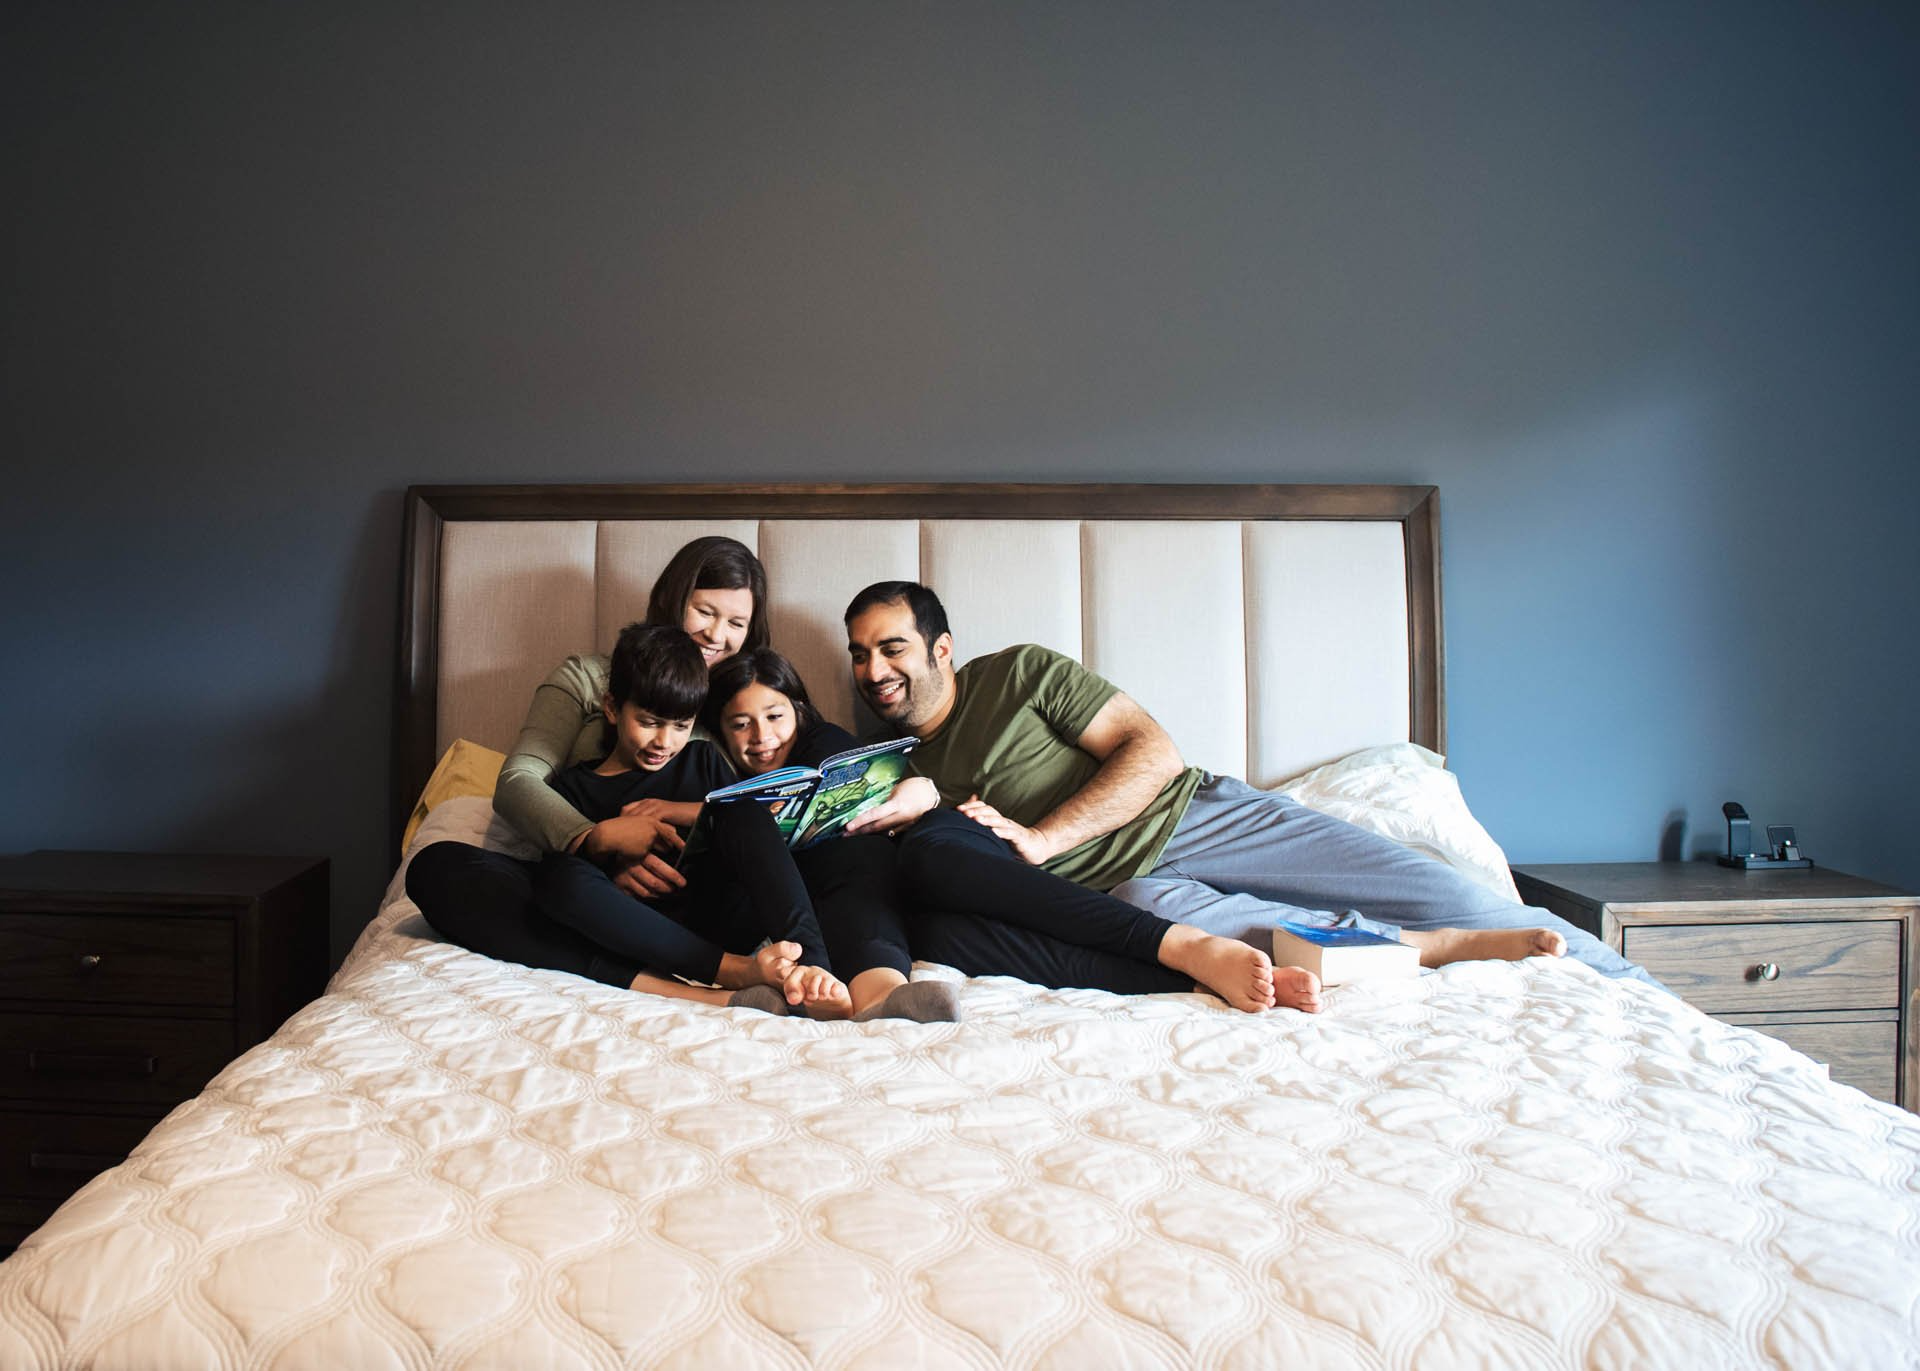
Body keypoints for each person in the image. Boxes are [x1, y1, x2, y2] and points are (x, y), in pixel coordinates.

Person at [842, 581, 1662, 995]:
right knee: (1277, 946)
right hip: (1128, 894)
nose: (873, 669)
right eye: (858, 653)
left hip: (1199, 817)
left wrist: (1044, 839)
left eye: (891, 647)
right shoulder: (893, 769)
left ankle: (1639, 995)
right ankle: (1426, 954)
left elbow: (1151, 751)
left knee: (1463, 898)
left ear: (942, 648)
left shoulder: (1017, 674)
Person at [706, 648, 1309, 1013]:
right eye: (740, 725)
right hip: (901, 918)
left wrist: (925, 795)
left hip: (938, 848)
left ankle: (1182, 942)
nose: (762, 737)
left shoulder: (829, 744)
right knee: (955, 942)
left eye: (775, 716)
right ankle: (1195, 978)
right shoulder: (717, 801)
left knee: (932, 864)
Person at [407, 536, 772, 997]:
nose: (717, 636)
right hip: (587, 882)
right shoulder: (588, 678)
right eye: (704, 611)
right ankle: (681, 980)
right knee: (437, 867)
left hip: (702, 890)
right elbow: (520, 780)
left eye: (736, 622)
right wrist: (593, 843)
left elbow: (770, 807)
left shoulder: (744, 697)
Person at [522, 622, 847, 1015]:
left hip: (721, 913)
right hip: (645, 930)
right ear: (611, 708)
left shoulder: (703, 760)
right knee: (556, 874)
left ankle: (810, 970)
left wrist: (696, 814)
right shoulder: (572, 789)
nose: (664, 742)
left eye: (681, 726)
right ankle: (724, 972)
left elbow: (753, 842)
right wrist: (612, 871)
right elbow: (570, 892)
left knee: (742, 810)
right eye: (649, 722)